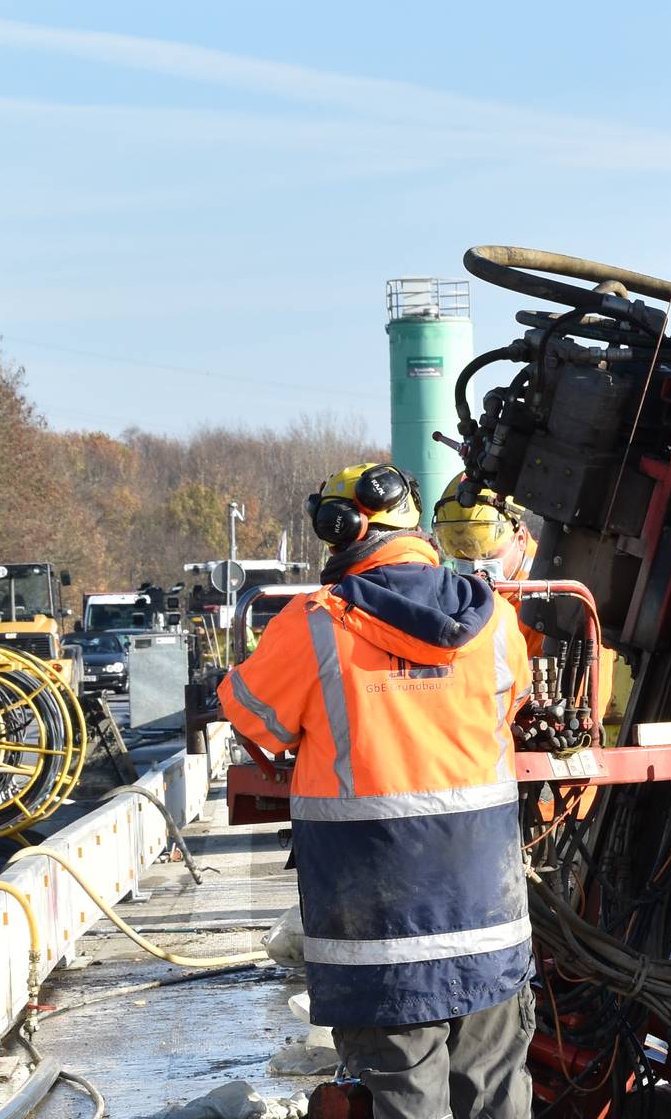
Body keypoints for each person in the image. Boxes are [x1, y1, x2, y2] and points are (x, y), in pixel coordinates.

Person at [216, 462, 533, 1118]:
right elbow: (510, 712)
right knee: (498, 1093)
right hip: (486, 923)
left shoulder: (314, 625)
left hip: (378, 938)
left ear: (339, 529)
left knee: (407, 1098)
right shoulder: (497, 623)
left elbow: (248, 715)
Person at [433, 477, 539, 581]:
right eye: (463, 559)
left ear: (521, 539)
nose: (477, 573)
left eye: (487, 556)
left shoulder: (548, 582)